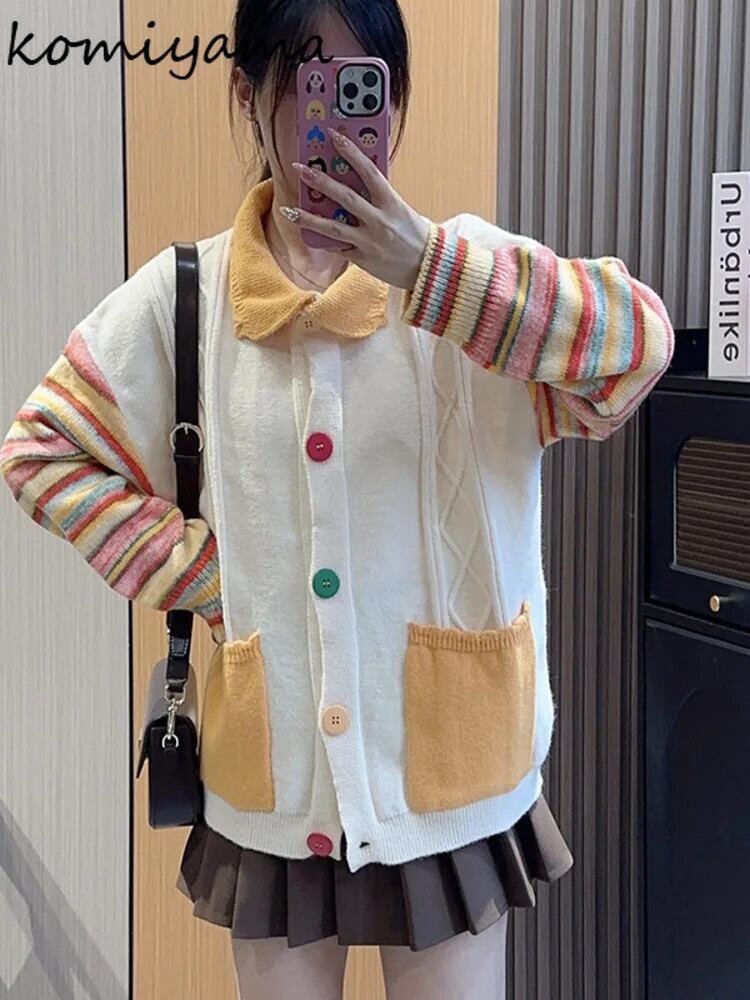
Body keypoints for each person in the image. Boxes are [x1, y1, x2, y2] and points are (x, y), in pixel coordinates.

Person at [0, 1, 675, 997]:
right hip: (272, 785)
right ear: (248, 94)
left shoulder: (471, 280)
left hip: (450, 781)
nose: (344, 120)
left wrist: (428, 269)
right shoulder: (187, 299)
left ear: (396, 100)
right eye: (311, 85)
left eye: (368, 88)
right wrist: (208, 577)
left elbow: (638, 349)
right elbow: (41, 449)